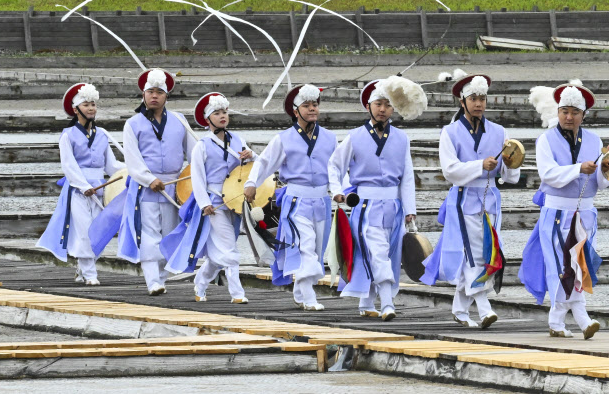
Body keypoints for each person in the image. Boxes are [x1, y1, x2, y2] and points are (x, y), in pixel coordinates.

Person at [420, 71, 519, 329]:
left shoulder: (499, 131)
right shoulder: (450, 132)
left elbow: (510, 176)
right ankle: (484, 308)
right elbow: (450, 170)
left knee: (484, 251)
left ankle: (460, 310)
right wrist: (479, 165)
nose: (479, 103)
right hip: (464, 199)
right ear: (462, 101)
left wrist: (511, 164)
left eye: (483, 98)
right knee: (475, 253)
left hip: (491, 199)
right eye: (473, 98)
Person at [518, 84, 609, 340]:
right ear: (557, 112)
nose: (569, 117)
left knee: (579, 265)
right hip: (557, 211)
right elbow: (547, 174)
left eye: (574, 112)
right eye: (564, 111)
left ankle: (556, 320)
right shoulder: (545, 139)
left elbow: (602, 182)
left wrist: (608, 168)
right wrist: (578, 169)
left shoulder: (594, 140)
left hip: (585, 212)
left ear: (584, 114)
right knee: (561, 265)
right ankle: (582, 318)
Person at [328, 78, 419, 321]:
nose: (382, 109)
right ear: (369, 106)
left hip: (394, 206)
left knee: (387, 254)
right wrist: (338, 191)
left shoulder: (402, 138)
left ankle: (366, 302)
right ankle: (387, 303)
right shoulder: (354, 137)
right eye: (378, 104)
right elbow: (335, 165)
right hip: (366, 205)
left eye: (388, 105)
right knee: (377, 253)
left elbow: (407, 176)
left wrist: (410, 208)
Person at [244, 84, 336, 311]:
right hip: (296, 202)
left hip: (322, 201)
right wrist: (251, 183)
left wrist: (344, 189)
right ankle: (310, 296)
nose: (312, 109)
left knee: (317, 248)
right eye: (306, 105)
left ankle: (300, 290)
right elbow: (265, 162)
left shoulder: (330, 138)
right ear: (296, 111)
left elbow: (338, 168)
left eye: (315, 105)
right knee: (305, 246)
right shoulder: (283, 138)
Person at [161, 93, 255, 303]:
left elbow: (252, 165)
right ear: (208, 119)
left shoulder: (238, 140)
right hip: (214, 203)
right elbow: (197, 179)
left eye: (225, 112)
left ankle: (200, 283)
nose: (223, 116)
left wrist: (252, 156)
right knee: (230, 247)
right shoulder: (201, 146)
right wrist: (204, 204)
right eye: (217, 113)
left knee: (218, 252)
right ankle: (237, 294)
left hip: (234, 201)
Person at [117, 68, 197, 296]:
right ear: (143, 95)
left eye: (159, 92)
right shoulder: (132, 124)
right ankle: (152, 280)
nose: (154, 96)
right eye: (150, 91)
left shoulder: (180, 121)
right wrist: (149, 178)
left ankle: (162, 279)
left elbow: (194, 154)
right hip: (146, 188)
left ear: (166, 96)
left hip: (174, 186)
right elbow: (132, 159)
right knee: (149, 233)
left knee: (170, 233)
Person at [37, 83, 125, 286]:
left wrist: (132, 171)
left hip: (100, 189)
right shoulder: (67, 135)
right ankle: (91, 274)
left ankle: (83, 268)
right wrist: (82, 185)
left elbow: (111, 165)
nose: (91, 108)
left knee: (100, 230)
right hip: (78, 190)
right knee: (85, 231)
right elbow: (68, 166)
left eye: (93, 104)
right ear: (76, 109)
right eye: (86, 104)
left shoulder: (102, 134)